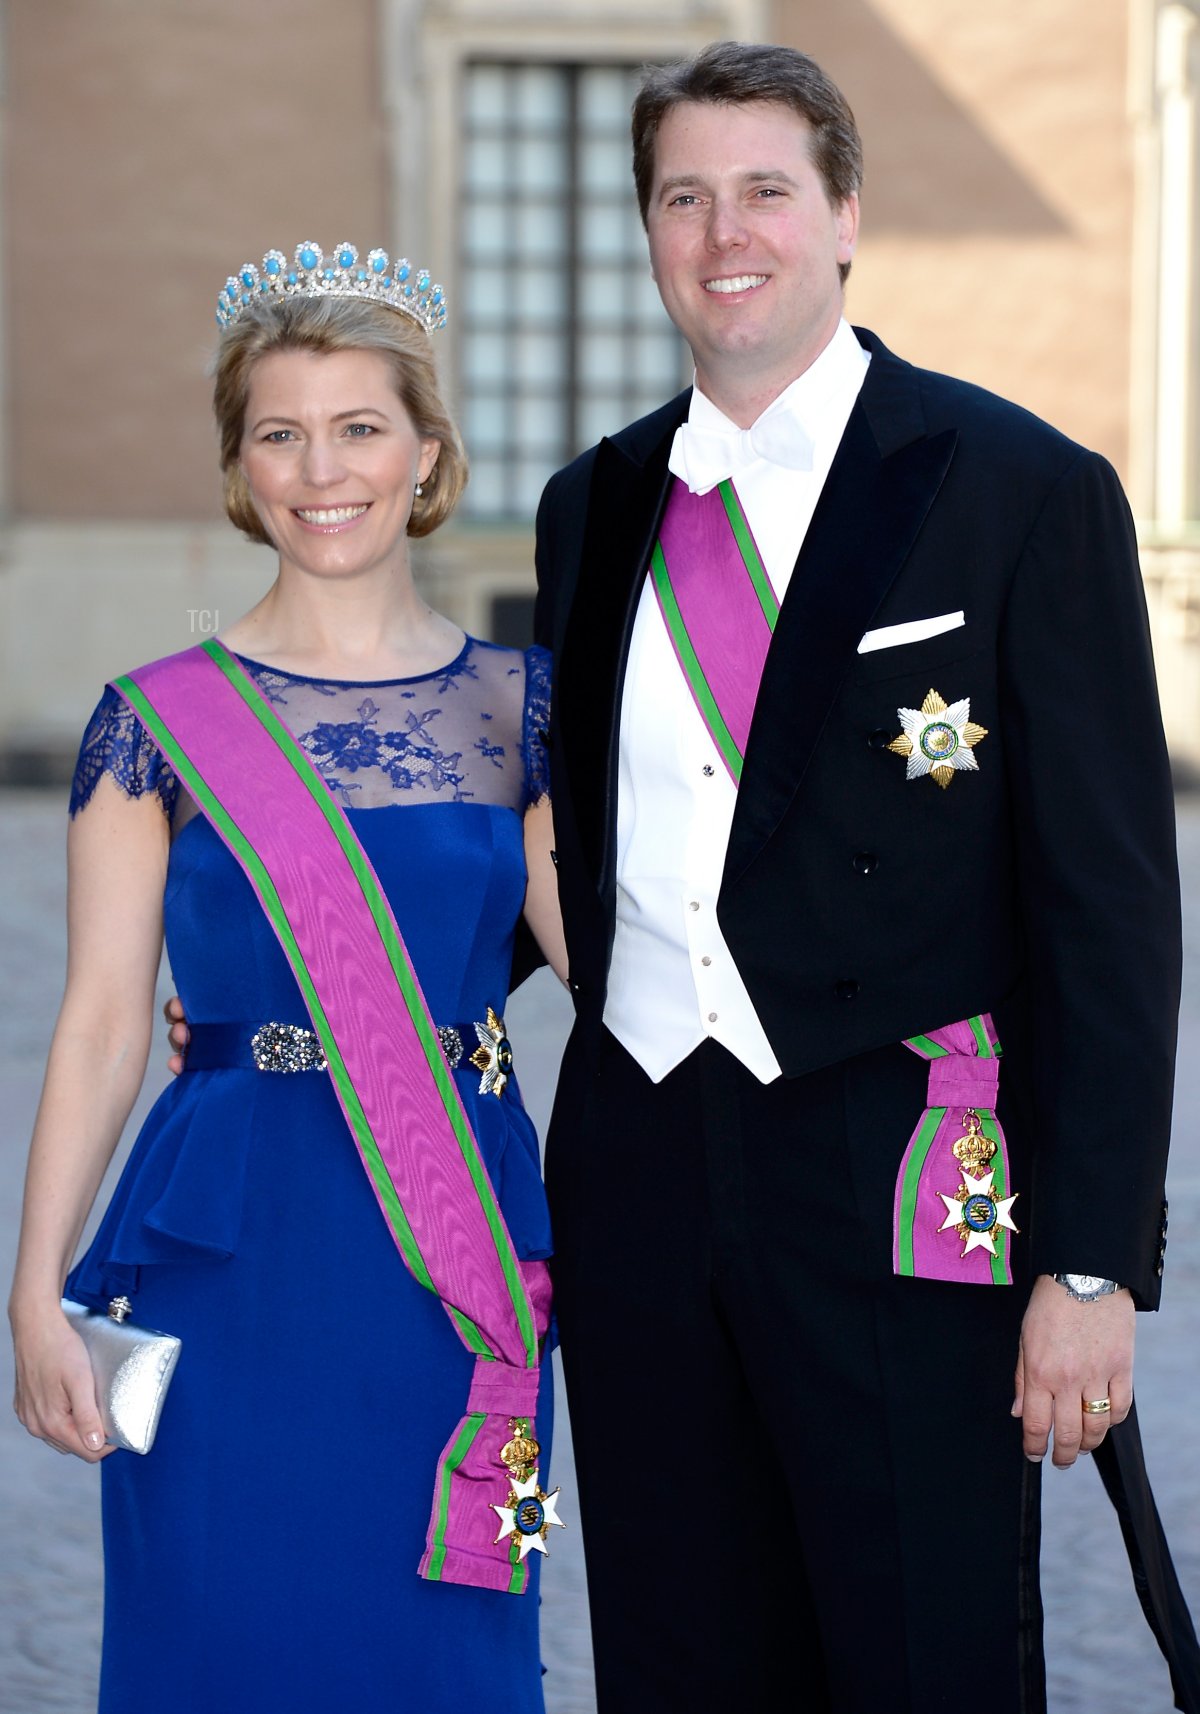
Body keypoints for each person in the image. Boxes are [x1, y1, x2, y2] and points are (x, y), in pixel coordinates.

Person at [533, 40, 1195, 1714]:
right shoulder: (591, 506)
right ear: (650, 230)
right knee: (680, 1662)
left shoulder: (1021, 489)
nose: (722, 228)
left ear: (843, 217)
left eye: (764, 188)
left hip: (904, 1168)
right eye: (683, 195)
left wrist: (1094, 1261)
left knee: (928, 1658)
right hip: (641, 1170)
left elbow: (1111, 910)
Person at [8, 246, 567, 1713]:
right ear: (241, 465)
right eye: (280, 431)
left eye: (360, 426)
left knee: (446, 1652)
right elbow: (102, 1021)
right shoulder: (154, 722)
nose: (323, 469)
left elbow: (633, 987)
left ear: (427, 452)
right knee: (214, 1643)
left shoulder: (531, 710)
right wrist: (30, 1292)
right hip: (226, 1240)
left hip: (454, 1250)